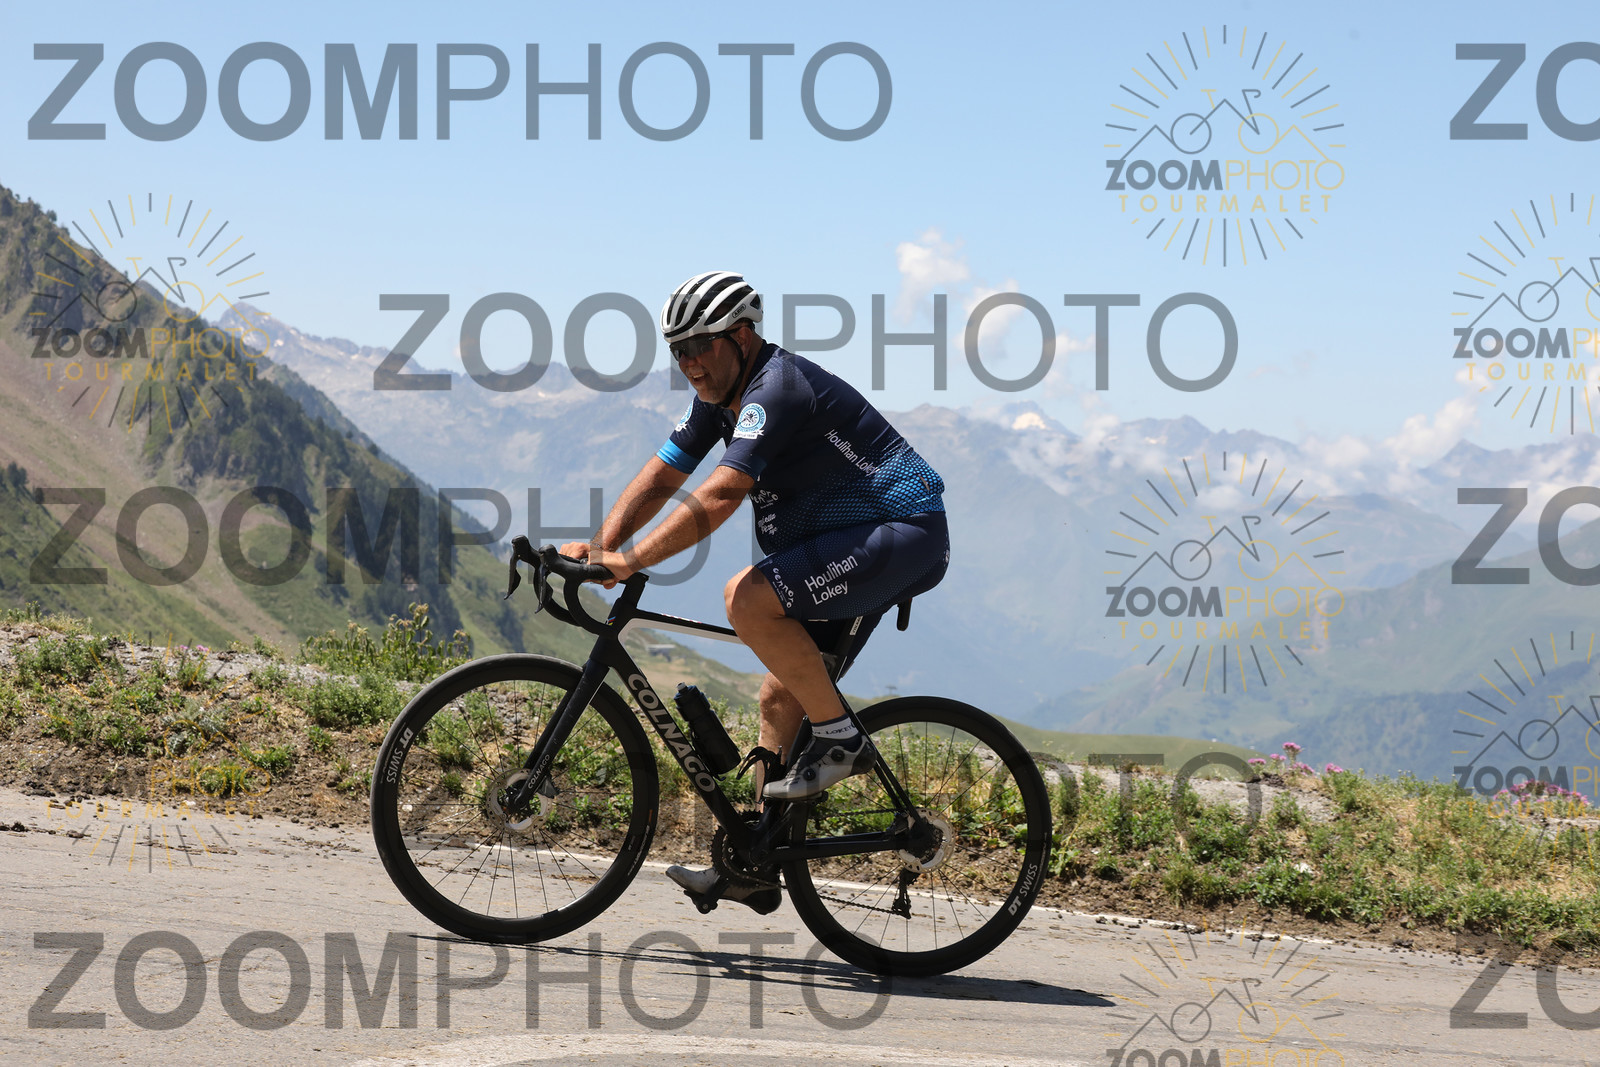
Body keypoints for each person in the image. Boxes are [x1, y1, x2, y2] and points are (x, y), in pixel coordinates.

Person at [560, 270, 949, 913]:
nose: (688, 363)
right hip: (851, 540)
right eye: (677, 350)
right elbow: (663, 474)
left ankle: (841, 740)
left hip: (902, 531)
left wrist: (628, 561)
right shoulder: (719, 397)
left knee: (746, 598)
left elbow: (720, 494)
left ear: (741, 337)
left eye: (699, 346)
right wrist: (602, 546)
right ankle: (758, 863)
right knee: (779, 695)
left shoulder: (777, 388)